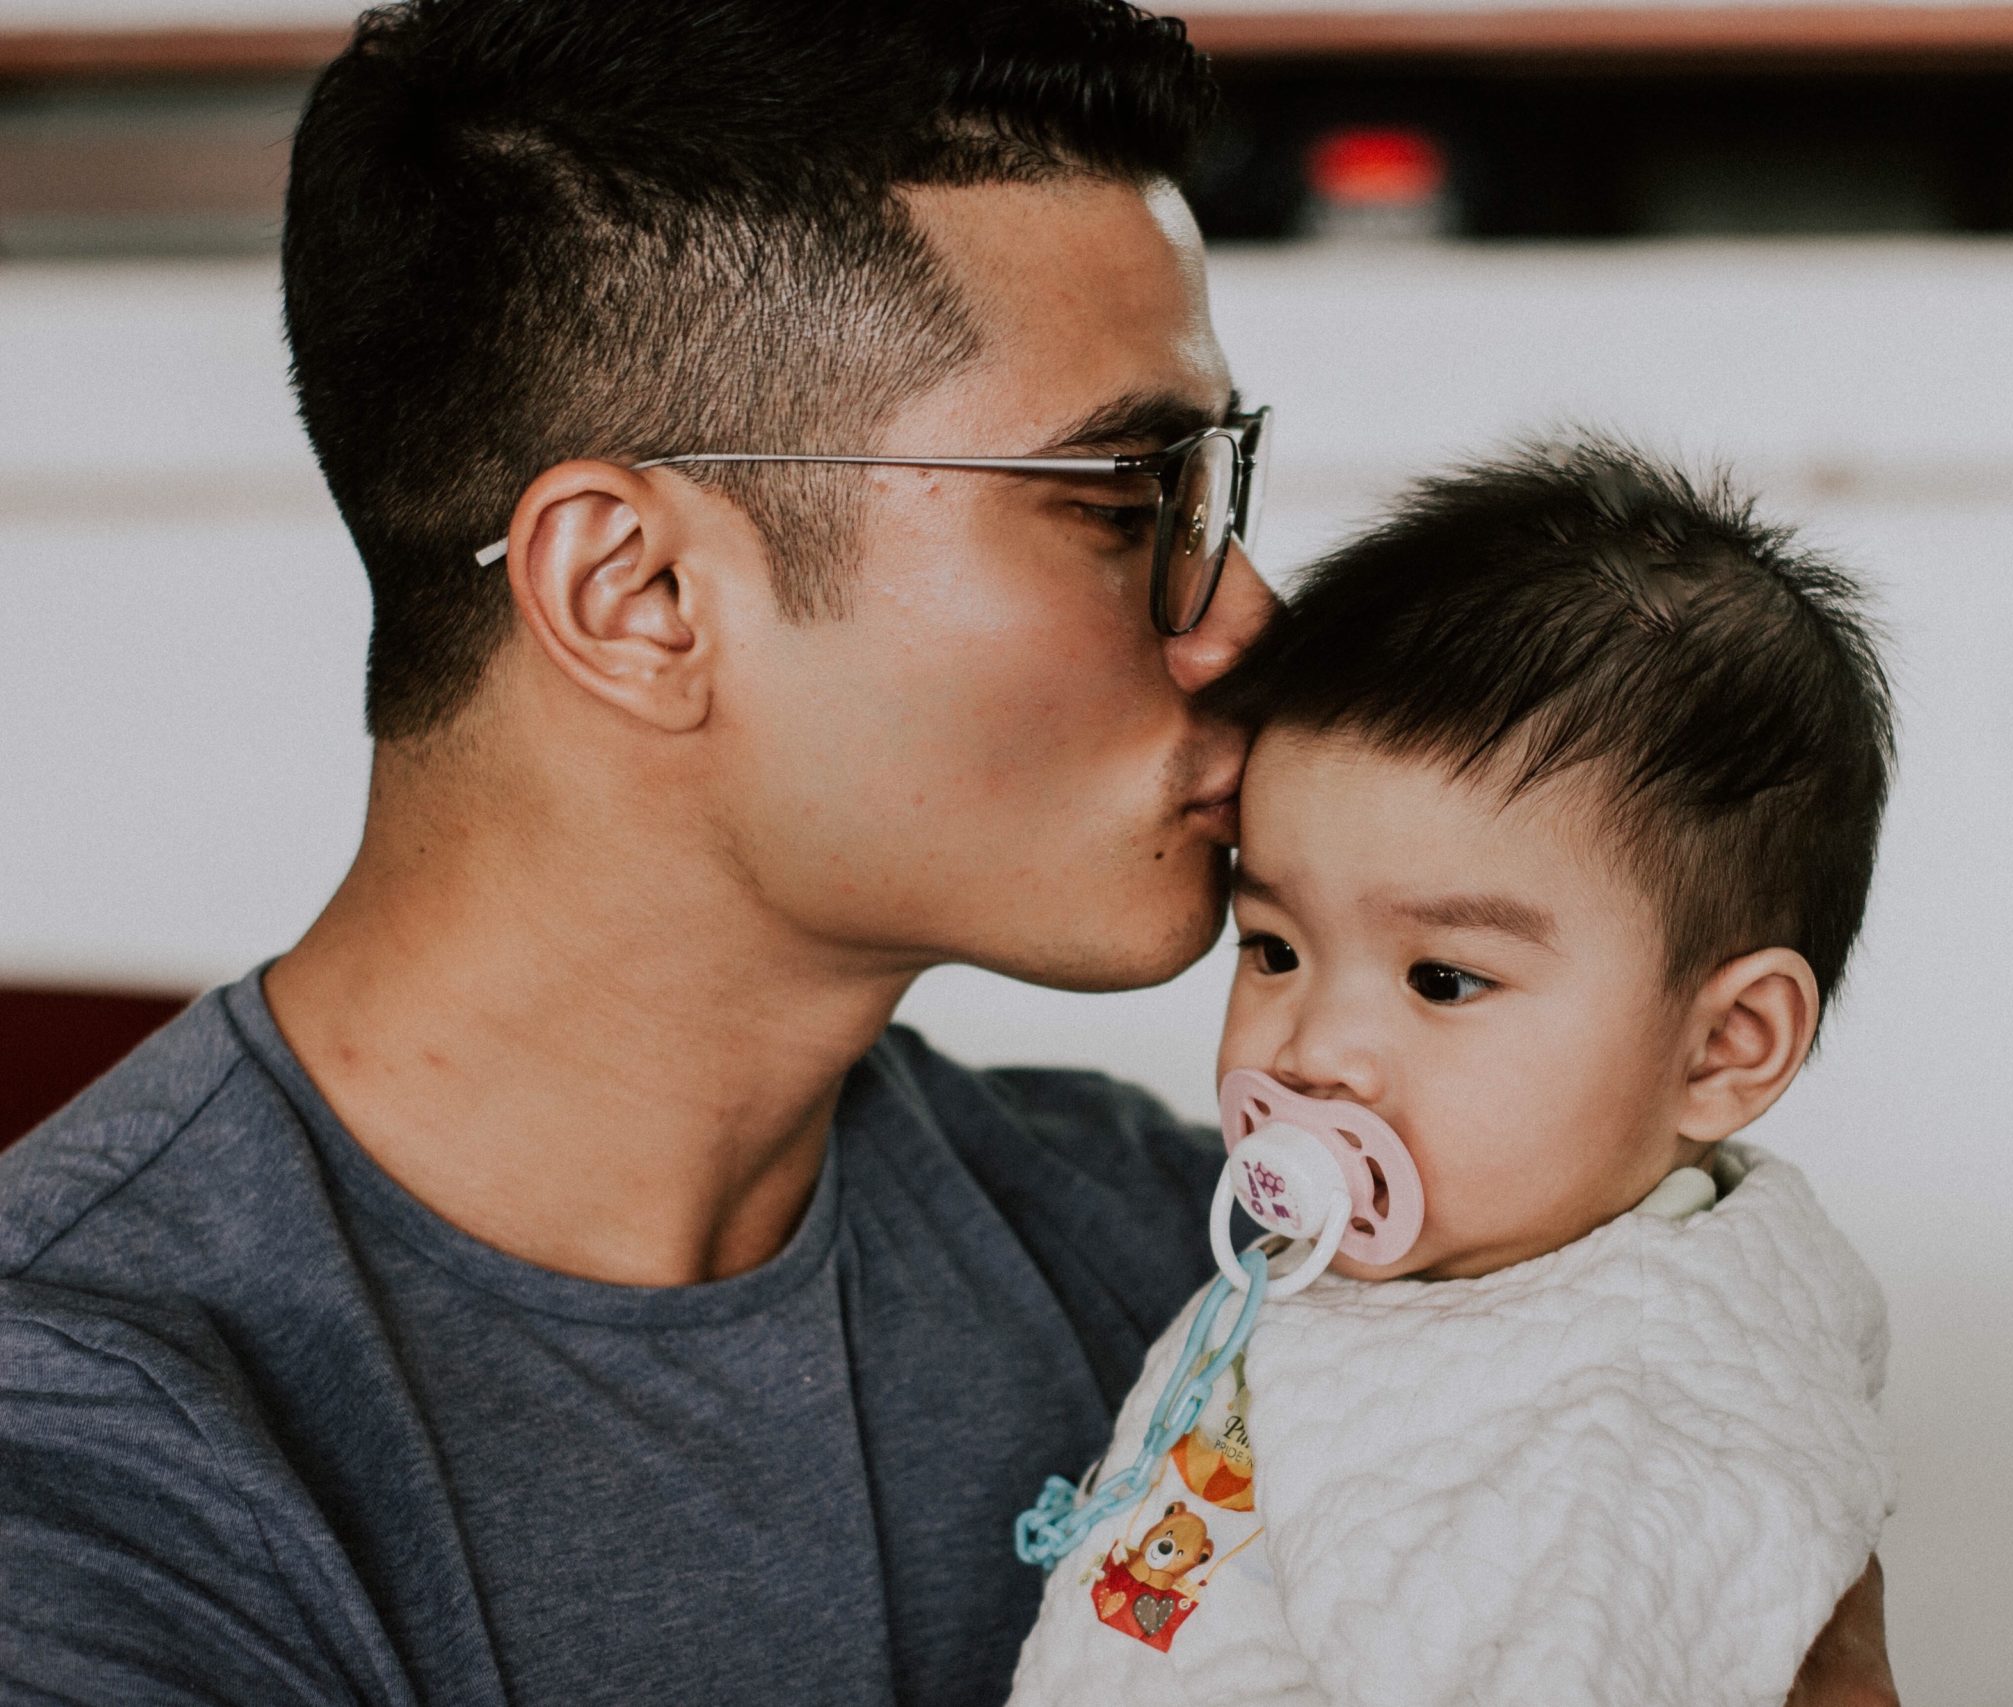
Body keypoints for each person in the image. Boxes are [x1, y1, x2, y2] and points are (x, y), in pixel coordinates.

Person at [0, 3, 1895, 1703]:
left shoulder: (1256, 1274)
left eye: (1214, 487)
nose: (1245, 615)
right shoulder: (89, 1467)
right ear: (640, 590)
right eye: (1119, 496)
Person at [1006, 442, 1895, 1705]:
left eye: (1442, 981)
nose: (1311, 1048)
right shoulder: (1406, 1275)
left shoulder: (1621, 1424)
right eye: (1273, 948)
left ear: (1724, 1047)